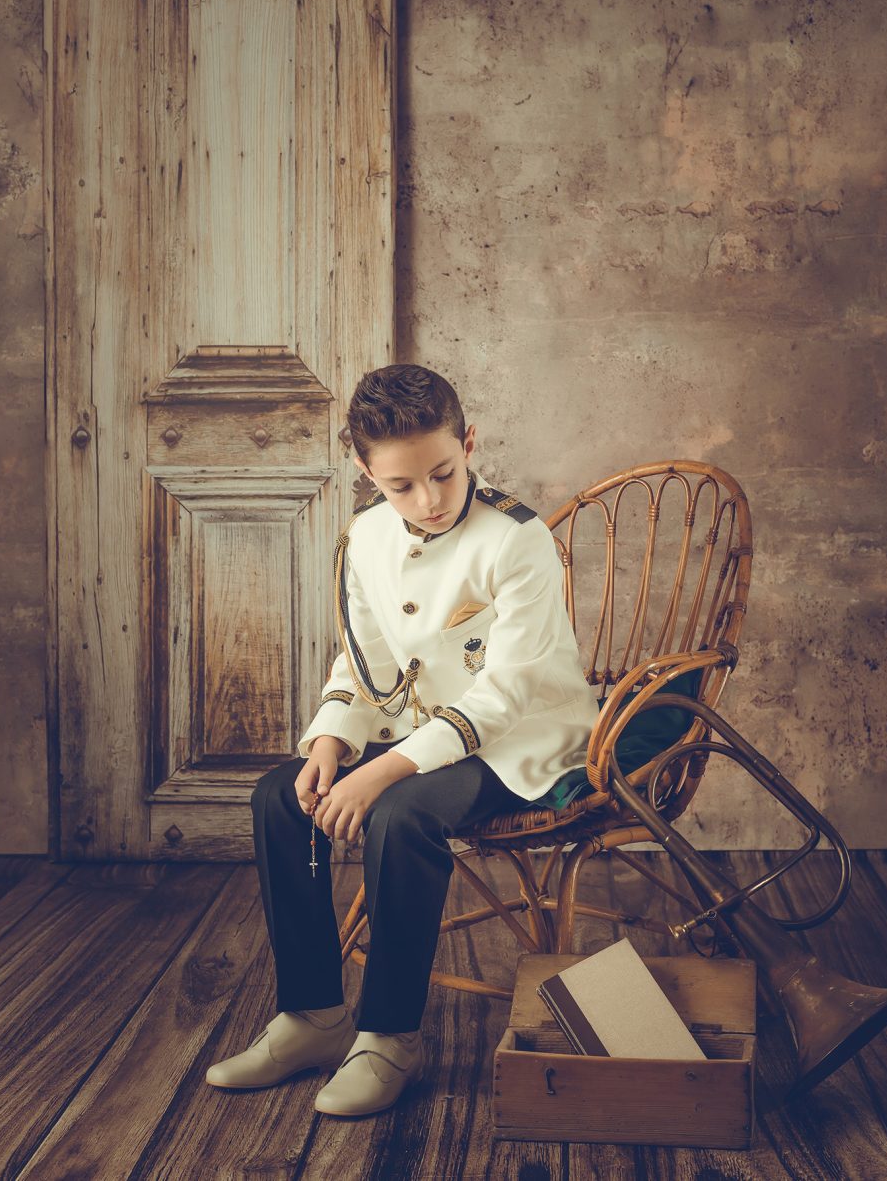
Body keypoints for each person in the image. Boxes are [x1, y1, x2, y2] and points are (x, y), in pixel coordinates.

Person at [205, 363, 599, 1116]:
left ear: (469, 442)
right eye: (401, 486)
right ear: (365, 471)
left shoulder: (518, 540)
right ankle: (312, 1017)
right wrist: (331, 742)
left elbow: (509, 691)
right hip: (421, 730)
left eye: (445, 474)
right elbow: (365, 660)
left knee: (401, 814)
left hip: (523, 740)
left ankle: (388, 1038)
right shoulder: (364, 538)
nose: (428, 501)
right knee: (280, 799)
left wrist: (382, 775)